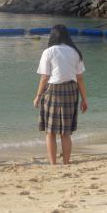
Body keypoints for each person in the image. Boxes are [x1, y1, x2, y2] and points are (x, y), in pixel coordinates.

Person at [33, 24, 88, 165]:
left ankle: (53, 163)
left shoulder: (49, 52)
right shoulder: (75, 52)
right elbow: (80, 78)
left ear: (53, 36)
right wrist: (84, 99)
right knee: (66, 131)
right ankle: (66, 162)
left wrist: (38, 96)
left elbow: (44, 77)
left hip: (53, 91)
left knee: (50, 131)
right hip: (71, 90)